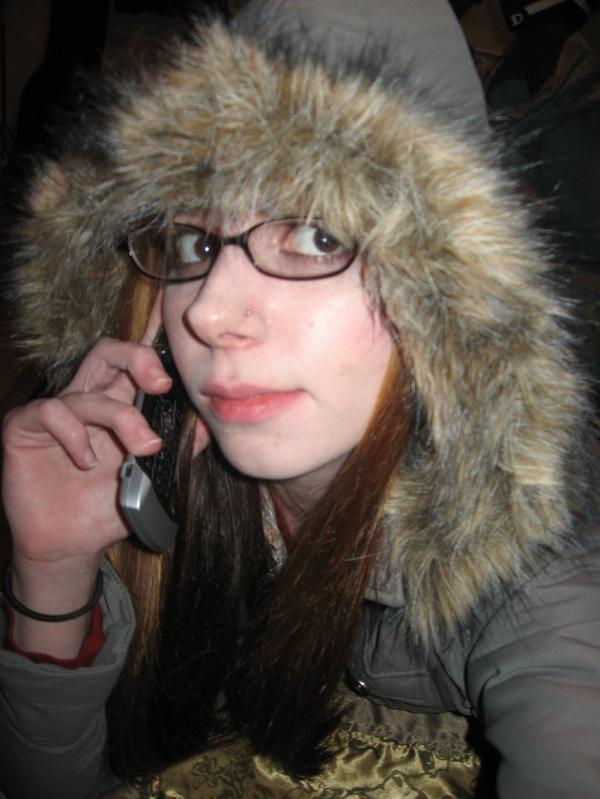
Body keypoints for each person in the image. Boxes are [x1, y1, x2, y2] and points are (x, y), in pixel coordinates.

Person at [1, 1, 599, 797]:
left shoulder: (535, 564)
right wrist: (51, 573)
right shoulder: (138, 463)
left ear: (449, 295)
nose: (210, 311)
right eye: (195, 241)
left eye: (317, 236)